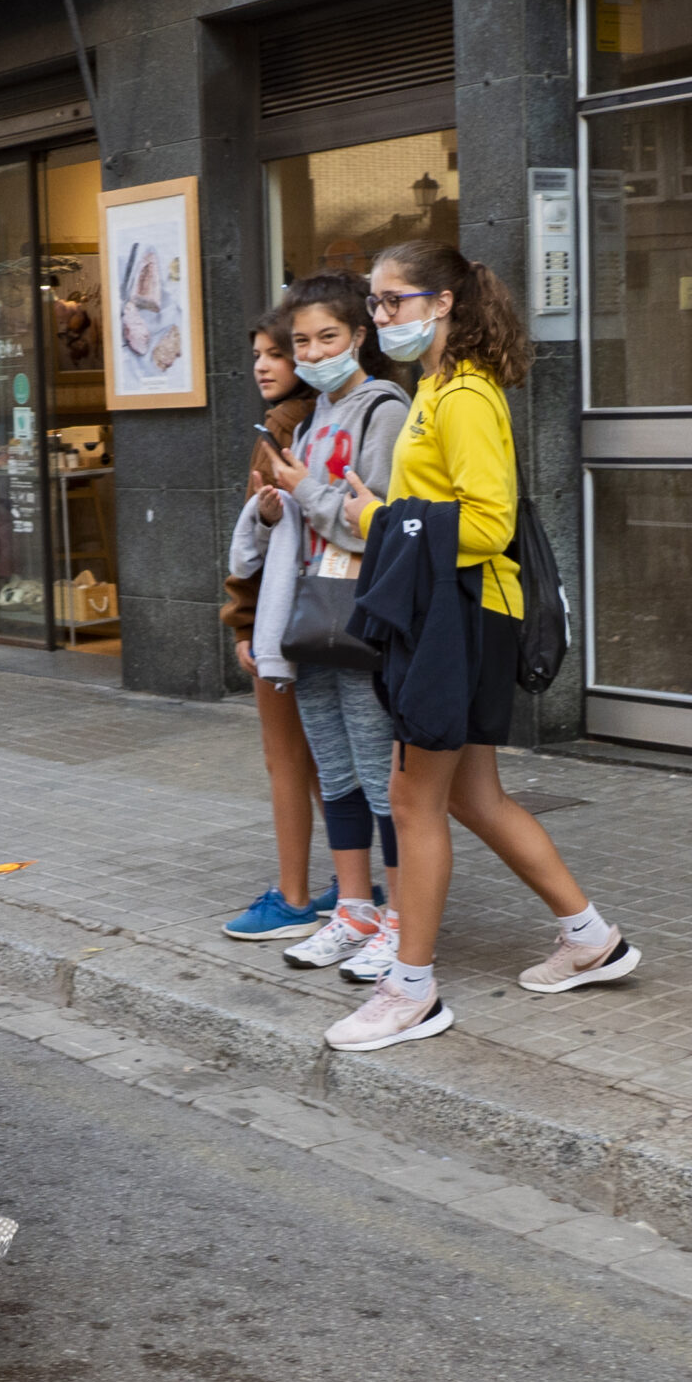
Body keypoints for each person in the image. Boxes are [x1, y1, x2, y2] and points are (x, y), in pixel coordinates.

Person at [328, 240, 637, 1052]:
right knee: (472, 796)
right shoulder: (436, 386)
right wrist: (384, 512)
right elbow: (442, 508)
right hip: (457, 612)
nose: (379, 316)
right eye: (373, 301)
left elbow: (489, 524)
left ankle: (412, 991)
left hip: (460, 617)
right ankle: (591, 938)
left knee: (413, 802)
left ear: (443, 303)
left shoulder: (463, 393)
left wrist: (379, 518)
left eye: (393, 300)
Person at [231, 273, 409, 979]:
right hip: (308, 617)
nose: (312, 353)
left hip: (360, 618)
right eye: (301, 341)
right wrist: (274, 510)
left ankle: (400, 919)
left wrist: (304, 488)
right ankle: (354, 910)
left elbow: (379, 522)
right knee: (335, 773)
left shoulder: (384, 409)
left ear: (360, 335)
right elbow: (305, 521)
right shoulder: (307, 422)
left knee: (378, 774)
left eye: (327, 337)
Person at [218, 310, 336, 943]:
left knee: (286, 760)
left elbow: (254, 547)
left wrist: (241, 625)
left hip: (285, 617)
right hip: (332, 611)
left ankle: (293, 898)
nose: (263, 366)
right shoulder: (339, 414)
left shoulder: (284, 426)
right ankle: (352, 883)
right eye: (258, 355)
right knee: (324, 760)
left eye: (276, 353)